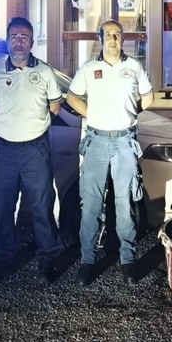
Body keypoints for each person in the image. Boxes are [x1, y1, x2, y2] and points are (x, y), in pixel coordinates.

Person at [67, 20, 154, 286]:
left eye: (117, 34)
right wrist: (92, 114)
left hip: (124, 143)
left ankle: (128, 260)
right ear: (100, 38)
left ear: (123, 38)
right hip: (96, 142)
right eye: (108, 34)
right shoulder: (88, 68)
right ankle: (87, 261)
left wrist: (128, 113)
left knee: (125, 204)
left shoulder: (134, 66)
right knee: (91, 204)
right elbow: (72, 97)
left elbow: (148, 97)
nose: (113, 39)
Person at [0, 17, 64, 285]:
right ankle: (1, 260)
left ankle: (48, 258)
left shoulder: (46, 73)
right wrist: (8, 127)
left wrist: (31, 126)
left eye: (24, 37)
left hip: (35, 150)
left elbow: (54, 107)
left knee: (43, 206)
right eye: (14, 36)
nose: (19, 42)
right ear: (7, 40)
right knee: (3, 206)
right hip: (5, 150)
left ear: (32, 42)